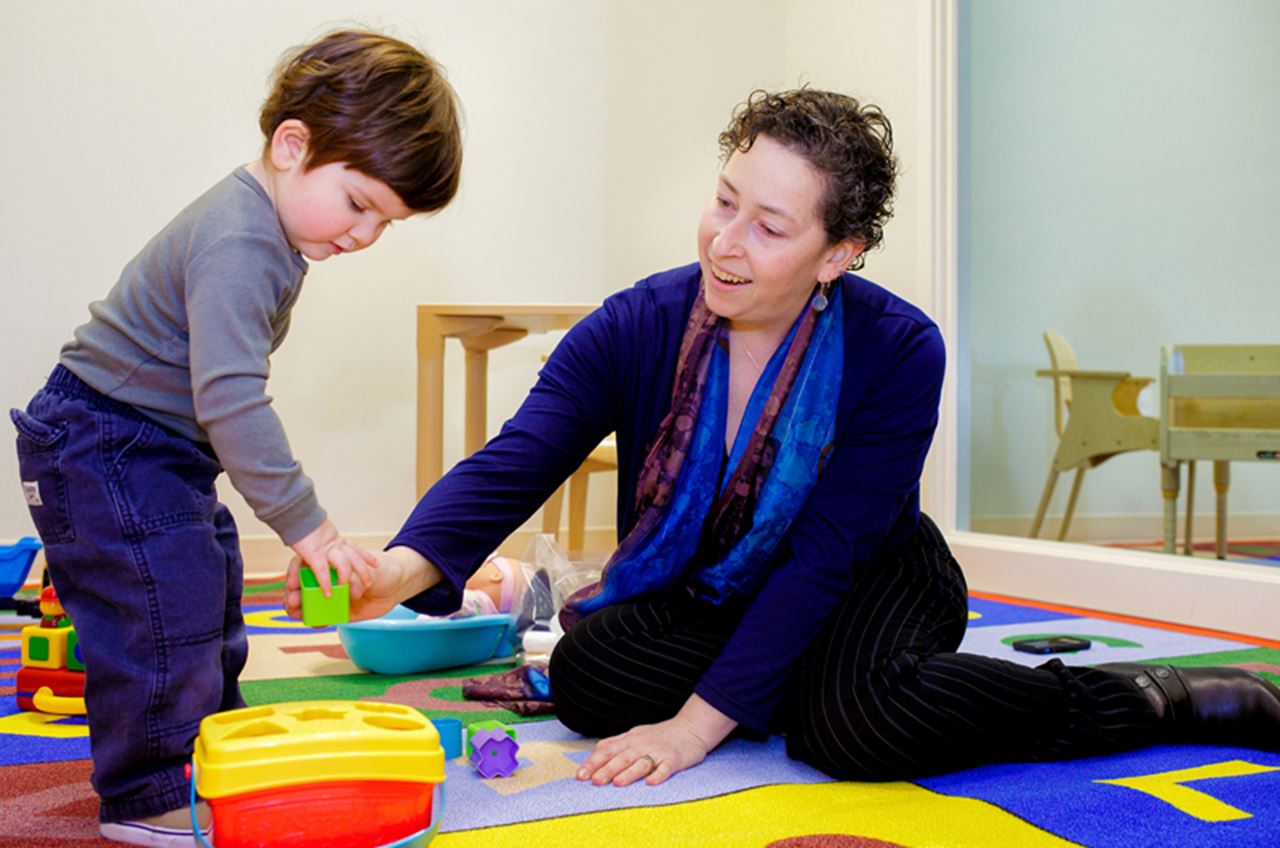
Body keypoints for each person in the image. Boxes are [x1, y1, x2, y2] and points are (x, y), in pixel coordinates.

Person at [293, 87, 1280, 789]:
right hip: (715, 589)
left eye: (769, 225)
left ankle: (1154, 695)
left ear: (836, 253)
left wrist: (693, 726)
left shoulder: (896, 350)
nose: (726, 240)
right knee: (589, 677)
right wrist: (394, 568)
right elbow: (521, 453)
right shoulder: (638, 322)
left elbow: (821, 558)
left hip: (870, 576)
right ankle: (785, 681)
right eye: (724, 201)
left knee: (857, 726)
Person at [12, 29, 462, 846]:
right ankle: (150, 794)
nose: (364, 236)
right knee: (162, 609)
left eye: (385, 224)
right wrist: (311, 527)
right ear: (292, 145)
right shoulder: (242, 239)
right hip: (101, 438)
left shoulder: (267, 233)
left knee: (207, 587)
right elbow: (228, 398)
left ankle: (214, 751)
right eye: (360, 203)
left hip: (141, 442)